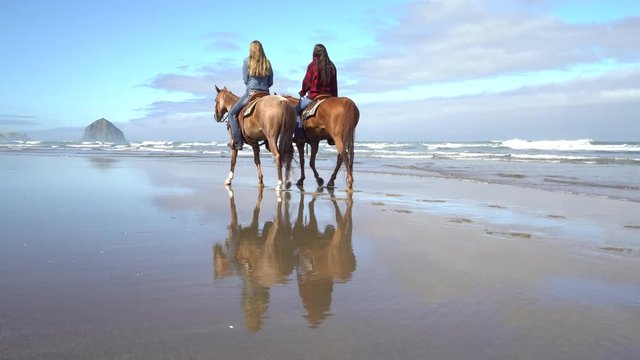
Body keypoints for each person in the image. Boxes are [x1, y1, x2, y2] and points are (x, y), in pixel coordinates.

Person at [228, 40, 274, 150]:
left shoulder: (247, 60)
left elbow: (245, 79)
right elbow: (271, 81)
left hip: (252, 92)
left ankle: (238, 143)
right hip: (266, 94)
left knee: (232, 114)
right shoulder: (267, 62)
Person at [295, 44, 338, 139]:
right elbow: (335, 85)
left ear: (315, 53)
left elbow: (307, 82)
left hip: (315, 95)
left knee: (296, 111)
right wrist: (335, 99)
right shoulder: (332, 66)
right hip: (330, 97)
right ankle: (331, 138)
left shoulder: (313, 65)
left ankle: (299, 135)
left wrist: (303, 92)